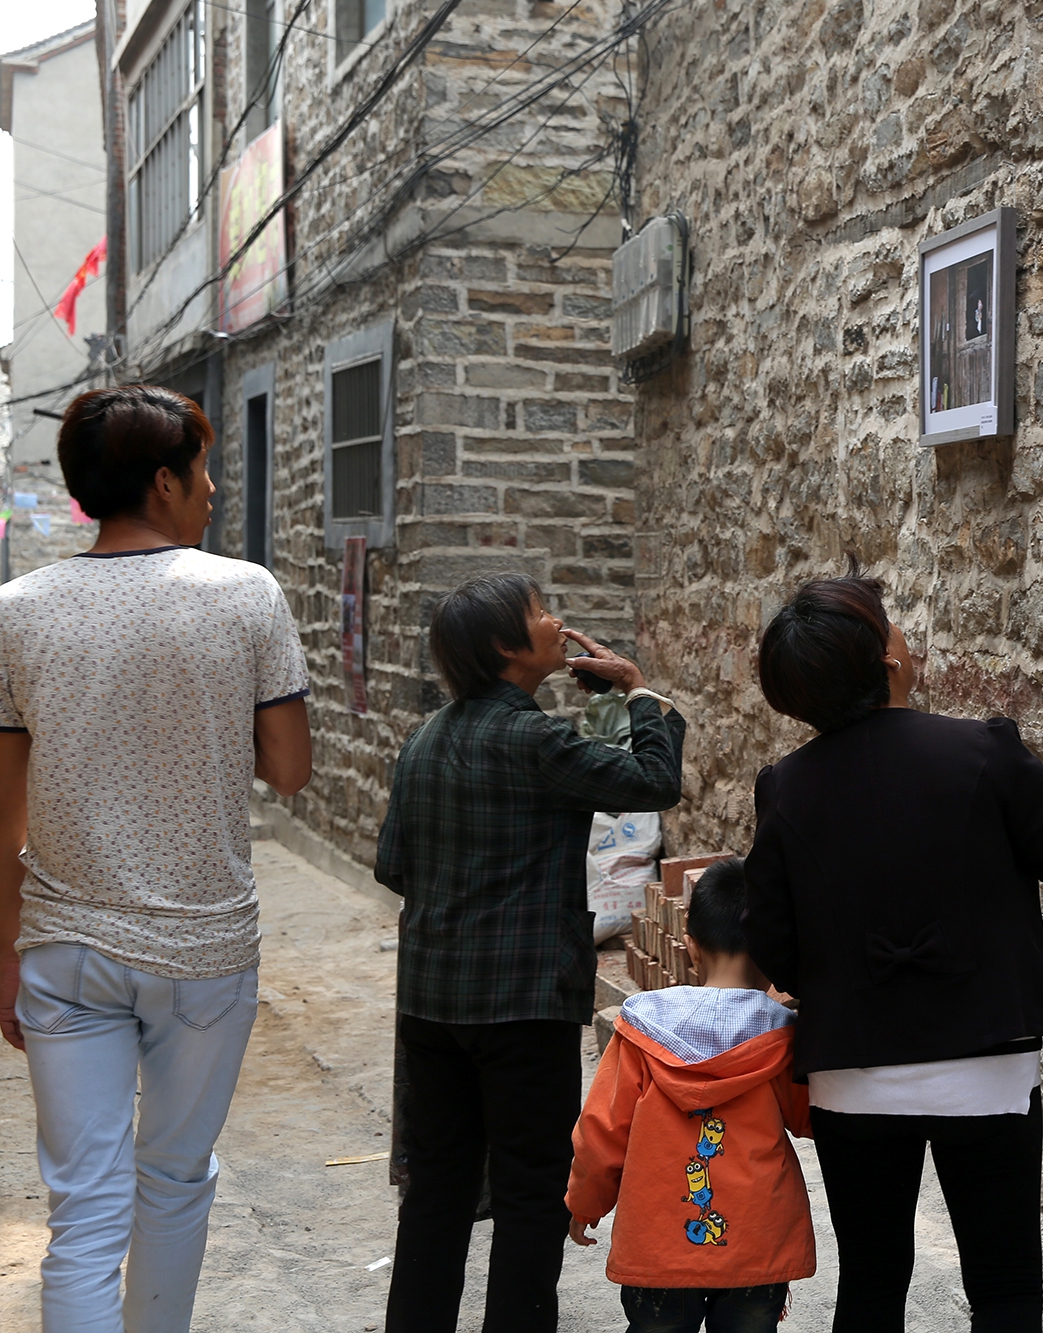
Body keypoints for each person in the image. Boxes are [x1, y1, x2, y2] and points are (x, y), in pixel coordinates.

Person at [742, 570, 1043, 1333]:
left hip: (854, 1078)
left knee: (870, 1286)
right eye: (891, 625)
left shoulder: (786, 787)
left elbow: (776, 945)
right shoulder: (981, 749)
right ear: (885, 661)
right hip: (986, 1067)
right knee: (1004, 1289)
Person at [0, 385, 313, 1332]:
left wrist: (1, 953)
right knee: (175, 1180)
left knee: (84, 1211)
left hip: (62, 948)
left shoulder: (18, 610)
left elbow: (2, 804)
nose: (214, 489)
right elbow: (290, 770)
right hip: (204, 949)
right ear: (165, 480)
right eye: (205, 470)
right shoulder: (245, 592)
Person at [375, 573, 686, 1333]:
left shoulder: (423, 739)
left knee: (440, 1188)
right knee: (528, 1190)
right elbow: (654, 780)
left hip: (432, 1003)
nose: (559, 620)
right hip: (523, 1006)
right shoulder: (536, 739)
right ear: (508, 649)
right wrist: (639, 694)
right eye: (541, 612)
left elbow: (392, 865)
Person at [568, 857, 815, 1333]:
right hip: (756, 1243)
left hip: (658, 1247)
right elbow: (810, 1118)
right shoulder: (783, 1039)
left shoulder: (641, 1032)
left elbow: (601, 1133)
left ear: (691, 948)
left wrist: (585, 1202)